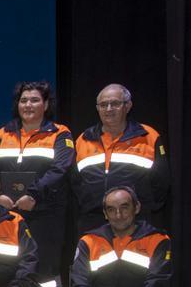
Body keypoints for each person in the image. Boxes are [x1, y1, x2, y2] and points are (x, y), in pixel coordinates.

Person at [0, 82, 73, 287]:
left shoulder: (60, 133)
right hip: (8, 216)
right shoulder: (2, 134)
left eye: (35, 100)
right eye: (24, 100)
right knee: (13, 275)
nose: (29, 105)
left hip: (45, 216)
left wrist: (34, 195)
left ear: (46, 104)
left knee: (43, 277)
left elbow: (61, 168)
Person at [72, 83, 170, 231]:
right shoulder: (83, 139)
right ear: (98, 108)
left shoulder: (148, 136)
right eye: (104, 105)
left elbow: (161, 181)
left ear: (128, 106)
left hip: (137, 222)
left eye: (115, 103)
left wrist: (144, 208)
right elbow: (75, 182)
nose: (109, 109)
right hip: (93, 222)